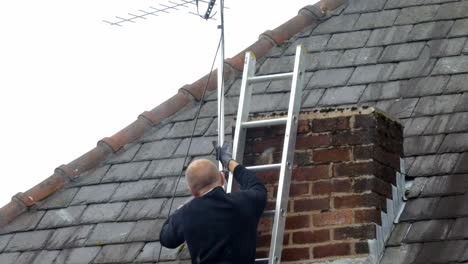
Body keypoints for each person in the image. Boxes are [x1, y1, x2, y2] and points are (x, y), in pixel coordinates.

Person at [159, 143, 267, 264]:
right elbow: (257, 186)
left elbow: (166, 239)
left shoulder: (186, 214)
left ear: (193, 192)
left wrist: (179, 211)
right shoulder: (243, 202)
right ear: (221, 179)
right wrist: (229, 162)